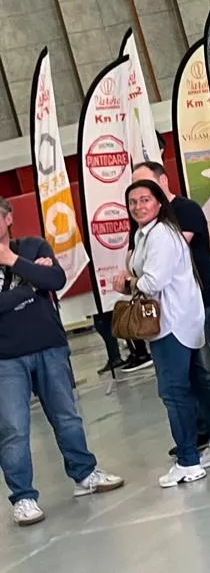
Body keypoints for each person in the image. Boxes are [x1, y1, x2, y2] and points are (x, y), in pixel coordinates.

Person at [0, 197, 123, 525]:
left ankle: (85, 474)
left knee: (67, 416)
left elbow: (55, 282)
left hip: (49, 347)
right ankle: (23, 497)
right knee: (13, 429)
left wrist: (12, 261)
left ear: (8, 218)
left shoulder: (32, 245)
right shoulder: (31, 260)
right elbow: (36, 288)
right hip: (6, 359)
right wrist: (28, 288)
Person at [113, 180, 210, 488]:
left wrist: (127, 285)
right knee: (199, 382)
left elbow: (153, 281)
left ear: (159, 202)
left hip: (171, 324)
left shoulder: (160, 235)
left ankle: (188, 461)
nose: (139, 206)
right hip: (183, 318)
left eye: (145, 200)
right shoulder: (151, 233)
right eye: (133, 202)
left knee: (173, 391)